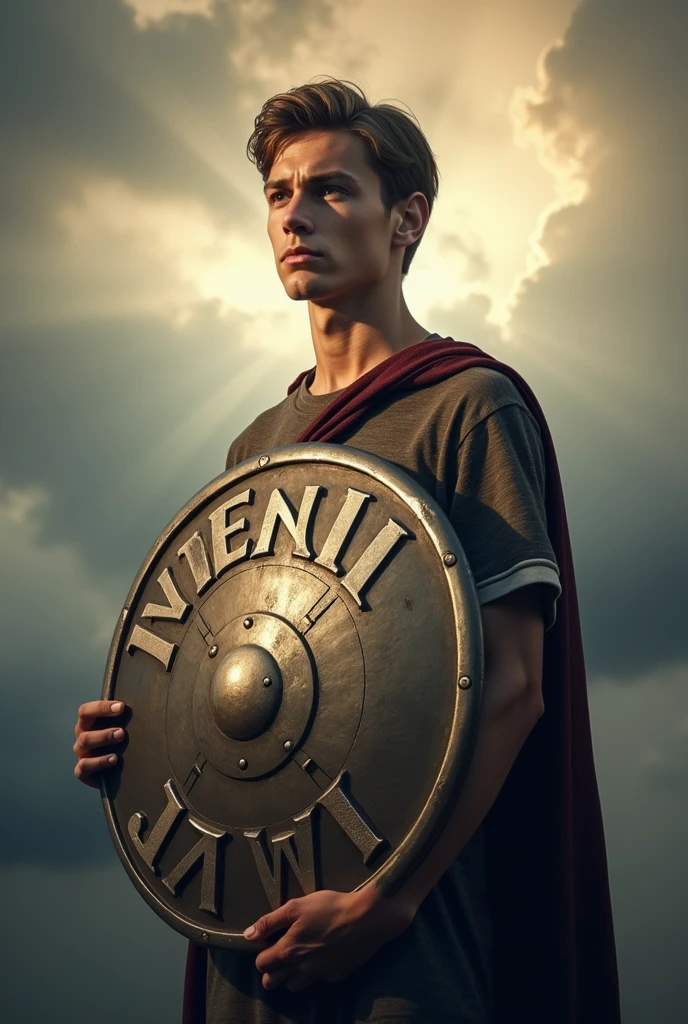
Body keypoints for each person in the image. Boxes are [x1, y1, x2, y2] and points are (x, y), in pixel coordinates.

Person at [74, 78, 619, 1023]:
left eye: (331, 190)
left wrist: (386, 902)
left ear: (405, 218)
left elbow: (517, 687)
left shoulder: (467, 405)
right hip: (253, 935)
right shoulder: (256, 447)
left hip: (408, 941)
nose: (297, 216)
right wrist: (142, 739)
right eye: (280, 193)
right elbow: (240, 670)